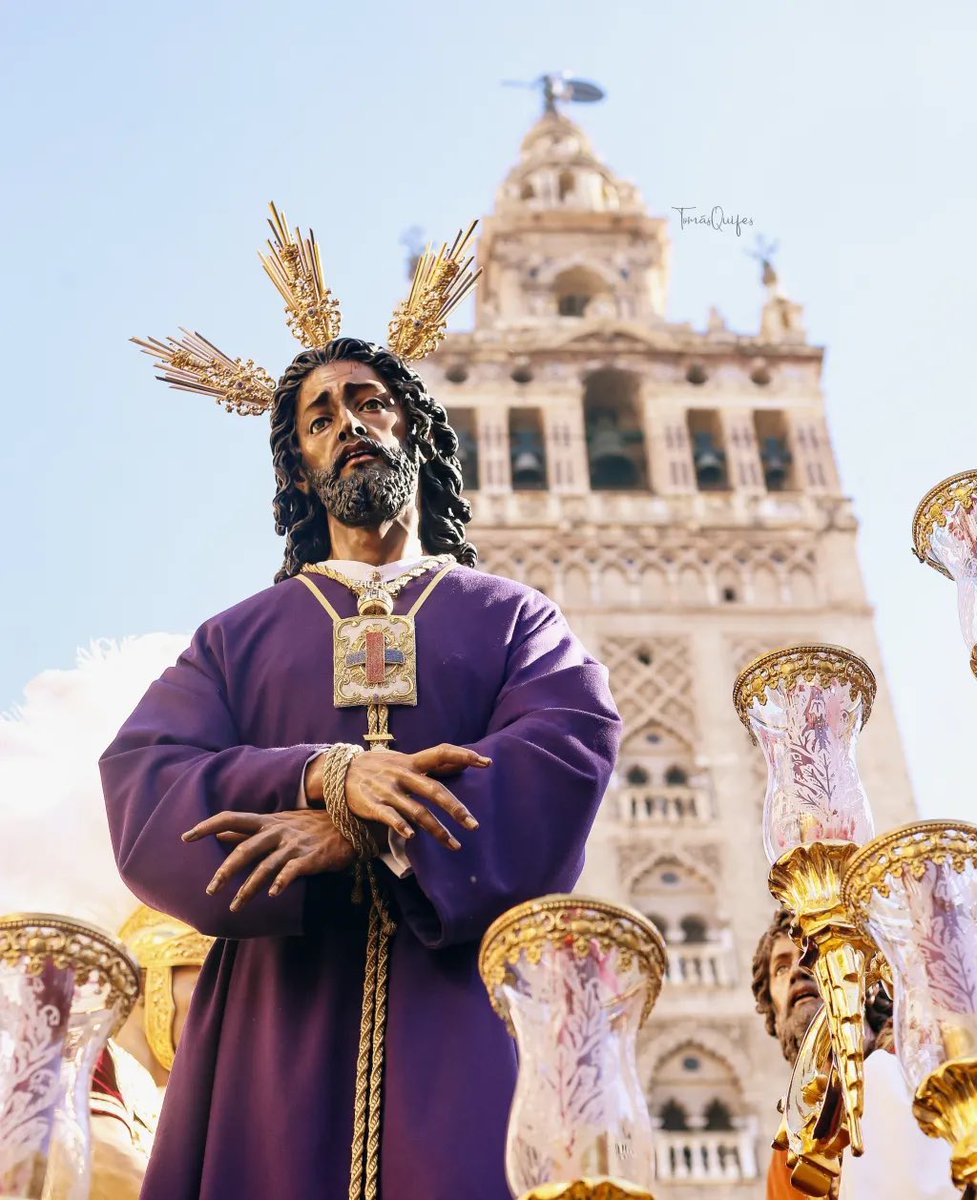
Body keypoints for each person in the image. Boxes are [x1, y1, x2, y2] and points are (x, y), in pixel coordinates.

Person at [101, 211, 622, 1200]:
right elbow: (144, 777)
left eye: (369, 402)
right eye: (319, 416)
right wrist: (320, 775)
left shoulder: (510, 618)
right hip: (271, 1018)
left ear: (412, 430)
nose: (348, 423)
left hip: (464, 1003)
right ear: (300, 466)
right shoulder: (237, 637)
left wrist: (374, 834)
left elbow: (565, 745)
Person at [752, 908, 955, 1200]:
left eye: (811, 953)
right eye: (781, 968)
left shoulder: (923, 1059)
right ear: (774, 1012)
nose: (797, 971)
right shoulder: (789, 1154)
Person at [91, 906, 212, 1200]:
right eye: (204, 989)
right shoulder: (88, 1056)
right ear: (143, 986)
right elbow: (102, 1163)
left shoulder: (189, 1108)